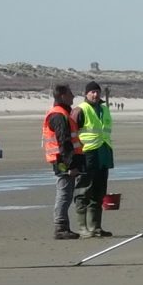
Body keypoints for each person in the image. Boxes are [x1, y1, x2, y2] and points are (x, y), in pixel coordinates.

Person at [72, 81, 115, 238]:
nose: (95, 95)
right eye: (92, 92)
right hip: (87, 154)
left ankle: (95, 226)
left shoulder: (104, 109)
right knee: (83, 191)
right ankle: (83, 227)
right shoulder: (80, 110)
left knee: (99, 192)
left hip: (103, 153)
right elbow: (72, 134)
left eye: (97, 92)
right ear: (86, 94)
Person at [43, 84, 82, 239]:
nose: (73, 96)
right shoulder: (58, 115)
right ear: (63, 96)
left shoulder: (63, 113)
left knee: (67, 193)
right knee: (64, 193)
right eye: (71, 94)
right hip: (62, 160)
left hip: (63, 158)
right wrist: (71, 164)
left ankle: (63, 226)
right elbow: (64, 142)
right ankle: (60, 227)